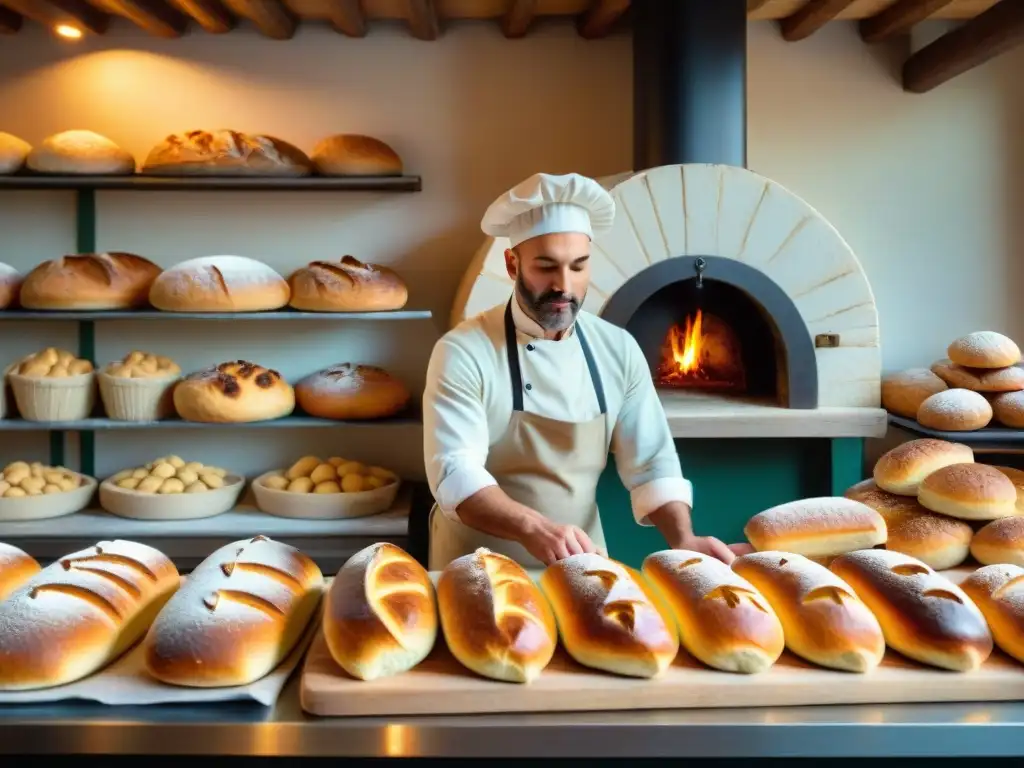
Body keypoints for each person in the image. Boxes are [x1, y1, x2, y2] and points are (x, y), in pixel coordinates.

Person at [422, 171, 750, 570]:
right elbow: (455, 473)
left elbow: (652, 462)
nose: (565, 286)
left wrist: (684, 538)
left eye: (579, 266)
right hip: (477, 570)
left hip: (582, 567)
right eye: (546, 267)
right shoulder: (463, 352)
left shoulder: (617, 349)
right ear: (512, 264)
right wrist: (534, 527)